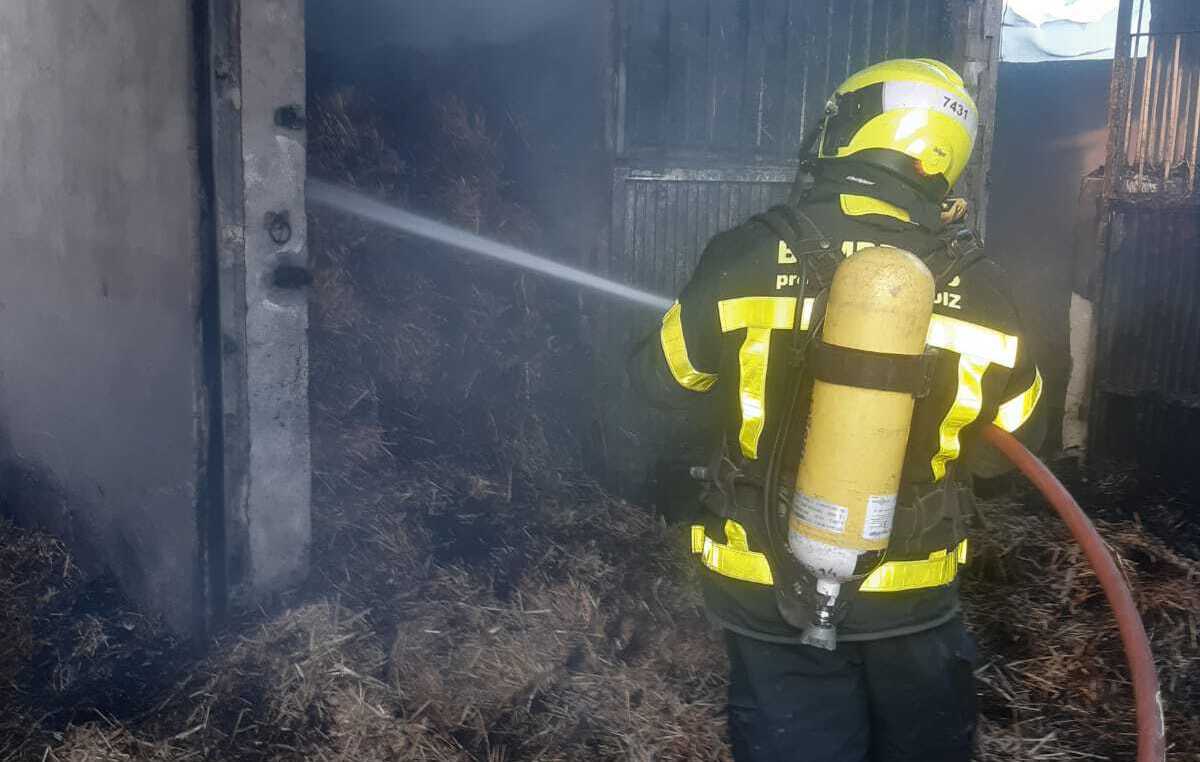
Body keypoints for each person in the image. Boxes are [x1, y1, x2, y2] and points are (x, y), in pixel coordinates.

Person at [629, 59, 1045, 762]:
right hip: (911, 599)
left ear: (852, 129)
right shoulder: (982, 288)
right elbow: (1009, 441)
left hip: (768, 588)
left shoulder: (750, 252)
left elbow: (660, 382)